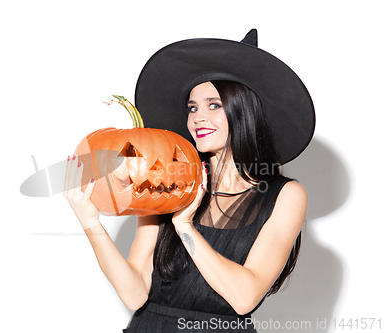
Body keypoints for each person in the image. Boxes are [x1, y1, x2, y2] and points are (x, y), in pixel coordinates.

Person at [63, 29, 315, 332]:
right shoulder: (165, 183)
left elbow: (244, 298)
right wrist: (90, 222)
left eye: (214, 105)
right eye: (192, 108)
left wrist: (185, 227)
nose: (197, 118)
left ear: (244, 110)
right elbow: (134, 294)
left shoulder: (285, 195)